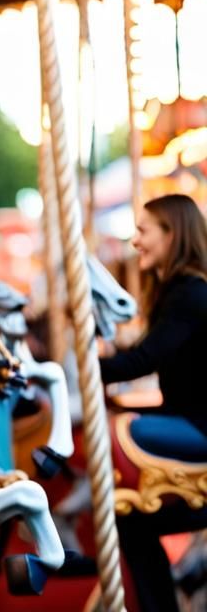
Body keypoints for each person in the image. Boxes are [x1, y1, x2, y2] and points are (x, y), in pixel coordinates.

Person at [100, 194, 207, 612]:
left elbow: (143, 359)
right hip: (190, 415)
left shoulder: (191, 294)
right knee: (133, 521)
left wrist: (88, 368)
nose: (135, 240)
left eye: (144, 231)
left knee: (121, 432)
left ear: (172, 234)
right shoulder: (177, 292)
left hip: (200, 425)